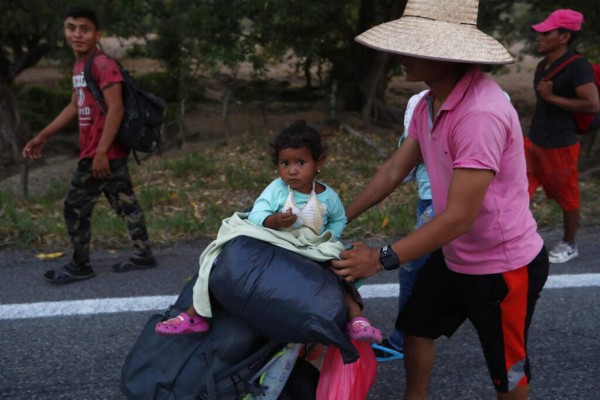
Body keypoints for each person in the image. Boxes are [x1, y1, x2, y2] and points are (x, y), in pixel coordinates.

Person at [330, 1, 549, 399]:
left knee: (508, 370)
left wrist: (379, 258)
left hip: (502, 267)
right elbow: (395, 170)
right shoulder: (430, 101)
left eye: (414, 46)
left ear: (449, 55)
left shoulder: (480, 113)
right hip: (454, 255)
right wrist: (338, 218)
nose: (400, 56)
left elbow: (460, 216)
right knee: (415, 329)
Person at [155, 121, 382, 344]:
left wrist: (328, 236)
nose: (292, 171)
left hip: (312, 243)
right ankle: (194, 315)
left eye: (301, 162)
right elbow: (256, 214)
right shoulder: (276, 189)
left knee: (339, 269)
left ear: (318, 162)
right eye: (285, 164)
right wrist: (274, 220)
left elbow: (339, 218)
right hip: (277, 238)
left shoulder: (327, 196)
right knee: (220, 259)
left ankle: (357, 319)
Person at [21, 6, 156, 284]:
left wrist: (102, 152)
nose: (77, 34)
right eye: (72, 28)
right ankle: (144, 254)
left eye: (85, 29)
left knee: (74, 206)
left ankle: (80, 264)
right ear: (65, 31)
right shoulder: (80, 66)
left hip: (100, 151)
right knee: (125, 201)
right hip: (102, 151)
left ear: (97, 34)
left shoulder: (102, 64)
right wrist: (43, 135)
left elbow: (116, 109)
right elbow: (75, 105)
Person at [526, 9, 600, 264]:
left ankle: (569, 244)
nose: (539, 37)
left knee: (568, 198)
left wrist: (552, 97)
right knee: (516, 191)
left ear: (564, 36)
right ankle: (516, 239)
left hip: (560, 145)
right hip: (533, 141)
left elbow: (592, 105)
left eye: (547, 33)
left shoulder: (578, 66)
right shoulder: (542, 64)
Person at [373, 89, 434, 362]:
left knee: (413, 267)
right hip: (440, 202)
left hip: (437, 202)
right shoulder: (497, 97)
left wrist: (379, 259)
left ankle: (401, 341)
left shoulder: (419, 102)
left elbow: (403, 169)